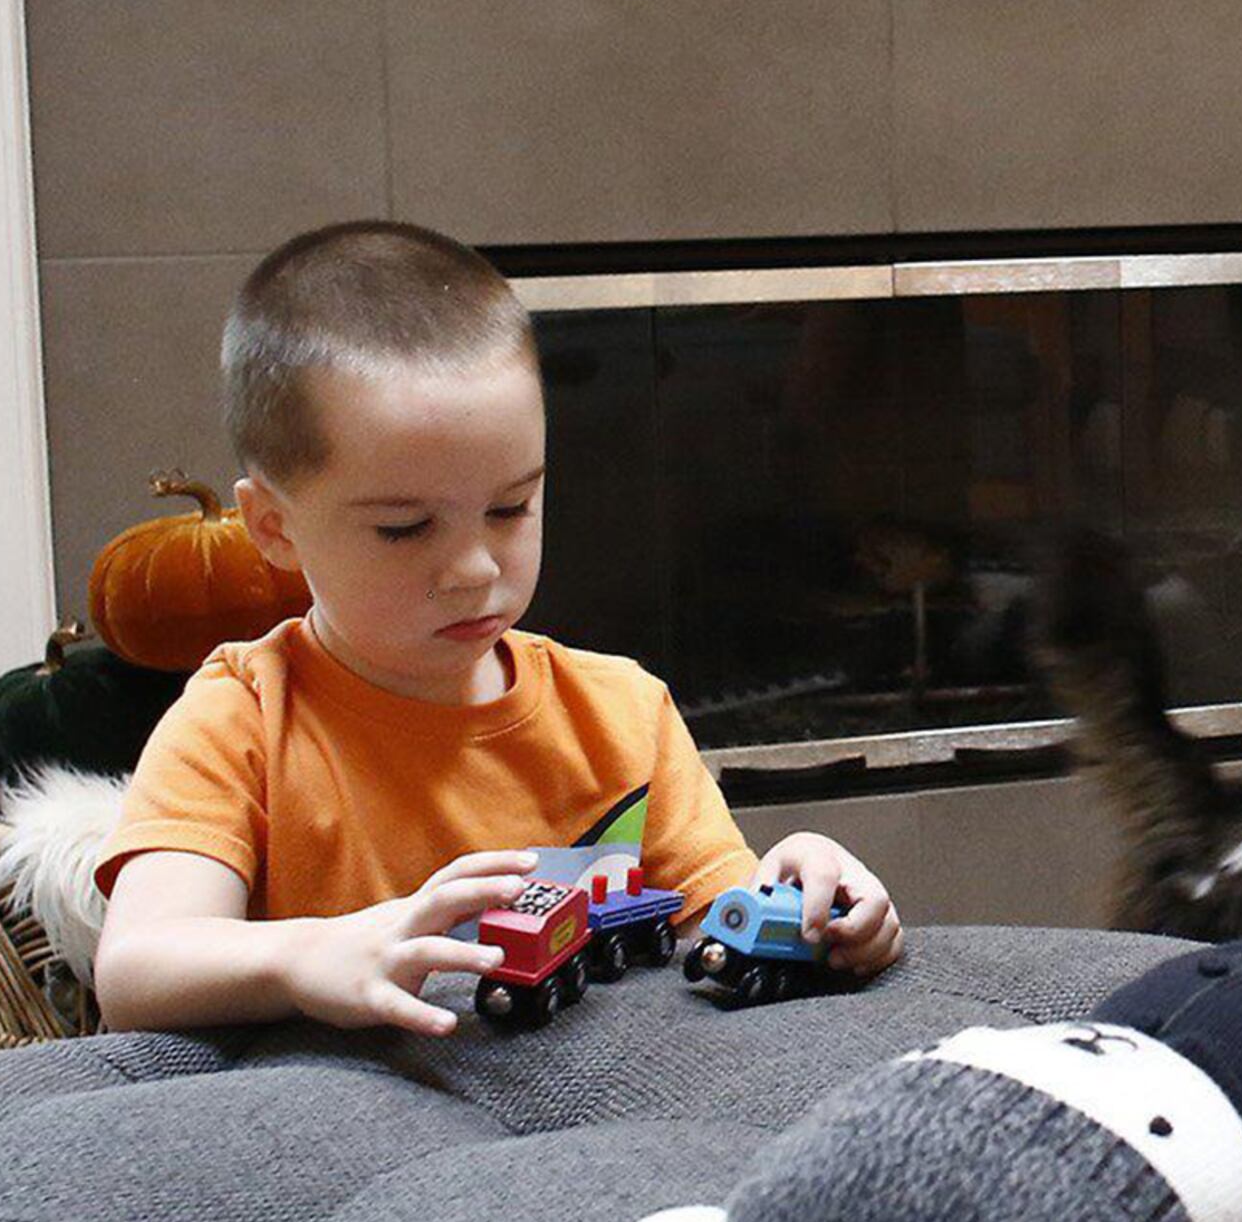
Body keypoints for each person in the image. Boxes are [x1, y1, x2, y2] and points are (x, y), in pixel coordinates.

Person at [95, 220, 906, 1037]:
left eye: (510, 508)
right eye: (407, 527)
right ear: (272, 526)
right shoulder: (244, 718)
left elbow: (712, 933)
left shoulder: (622, 712)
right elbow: (136, 969)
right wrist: (306, 955)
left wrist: (809, 898)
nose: (477, 569)